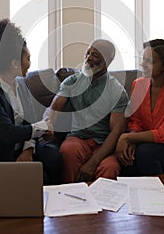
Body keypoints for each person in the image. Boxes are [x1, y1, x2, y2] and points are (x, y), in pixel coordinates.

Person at [0, 19, 63, 185]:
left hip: (19, 149)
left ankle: (57, 204)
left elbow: (29, 120)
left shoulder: (22, 85)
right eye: (28, 58)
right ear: (15, 63)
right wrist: (42, 126)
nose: (30, 64)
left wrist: (28, 149)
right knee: (39, 178)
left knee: (54, 156)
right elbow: (7, 132)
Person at [43, 39, 128, 183]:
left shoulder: (117, 91)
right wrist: (48, 123)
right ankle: (71, 202)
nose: (89, 57)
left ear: (106, 61)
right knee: (68, 151)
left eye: (95, 54)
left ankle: (101, 205)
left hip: (103, 144)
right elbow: (55, 107)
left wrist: (93, 162)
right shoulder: (72, 81)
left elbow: (116, 132)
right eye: (88, 52)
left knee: (110, 167)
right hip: (78, 139)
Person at [116, 39, 164, 176]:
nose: (142, 65)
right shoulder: (138, 84)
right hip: (147, 141)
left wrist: (127, 137)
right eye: (143, 60)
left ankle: (159, 195)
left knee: (146, 152)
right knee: (126, 155)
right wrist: (131, 139)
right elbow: (136, 121)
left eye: (149, 61)